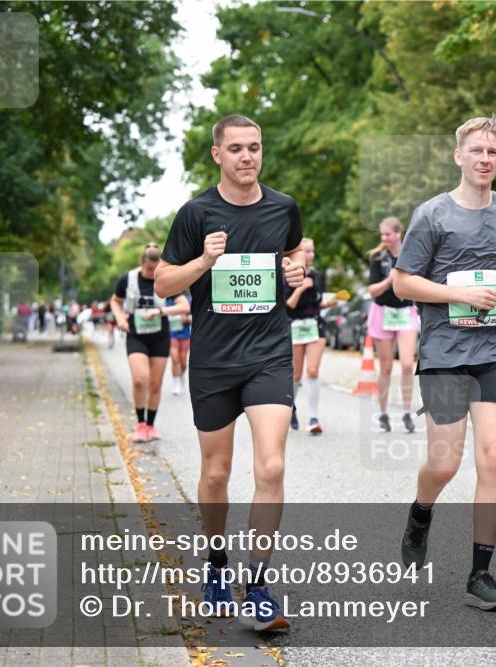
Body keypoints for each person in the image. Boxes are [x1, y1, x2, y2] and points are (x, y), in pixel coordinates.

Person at [393, 114, 496, 610]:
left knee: (495, 456)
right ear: (459, 155)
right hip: (443, 353)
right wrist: (458, 294)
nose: (485, 159)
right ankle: (421, 513)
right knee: (444, 462)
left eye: (493, 153)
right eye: (477, 151)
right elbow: (402, 282)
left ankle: (480, 574)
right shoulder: (432, 215)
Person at [155, 114, 305, 632]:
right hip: (215, 361)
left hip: (269, 355)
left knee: (272, 468)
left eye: (255, 147)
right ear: (217, 154)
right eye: (237, 148)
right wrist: (203, 261)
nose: (247, 156)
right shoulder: (196, 212)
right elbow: (163, 284)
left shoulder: (283, 207)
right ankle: (216, 566)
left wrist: (296, 269)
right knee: (216, 473)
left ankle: (258, 585)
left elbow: (294, 253)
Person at [110, 244, 190, 443]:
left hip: (160, 337)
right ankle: (140, 424)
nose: (152, 273)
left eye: (155, 269)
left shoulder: (166, 279)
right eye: (148, 269)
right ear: (142, 263)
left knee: (155, 384)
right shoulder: (128, 279)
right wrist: (120, 318)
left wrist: (161, 311)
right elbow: (115, 301)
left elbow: (184, 306)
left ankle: (150, 426)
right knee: (140, 379)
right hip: (136, 335)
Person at [366, 217, 420, 434]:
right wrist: (389, 280)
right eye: (382, 235)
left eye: (388, 234)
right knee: (386, 367)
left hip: (405, 312)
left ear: (399, 233)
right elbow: (372, 290)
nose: (384, 238)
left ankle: (407, 412)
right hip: (383, 312)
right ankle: (383, 413)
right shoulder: (377, 258)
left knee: (407, 364)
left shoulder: (412, 255)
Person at [284, 237, 337, 434]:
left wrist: (328, 304)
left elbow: (316, 303)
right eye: (306, 251)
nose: (310, 255)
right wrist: (300, 288)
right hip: (295, 325)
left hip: (315, 325)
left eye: (312, 251)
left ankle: (314, 418)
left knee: (313, 371)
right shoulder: (288, 275)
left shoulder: (318, 275)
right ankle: (291, 409)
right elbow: (288, 306)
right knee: (296, 374)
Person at [167, 293, 192, 395]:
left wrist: (186, 319)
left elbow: (194, 319)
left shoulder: (188, 299)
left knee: (183, 363)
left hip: (185, 335)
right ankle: (176, 383)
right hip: (172, 334)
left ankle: (181, 376)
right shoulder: (168, 300)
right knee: (175, 359)